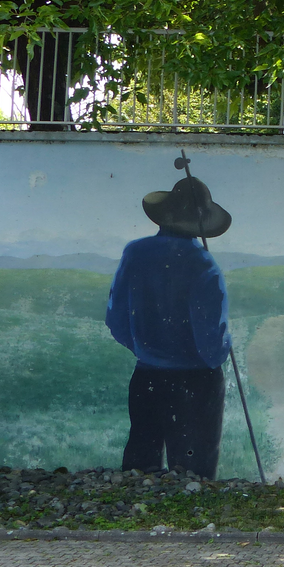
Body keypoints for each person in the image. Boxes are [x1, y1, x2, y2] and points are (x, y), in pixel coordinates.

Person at [106, 174, 232, 475]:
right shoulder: (204, 265)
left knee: (141, 460)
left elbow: (116, 319)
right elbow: (212, 345)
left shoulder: (133, 253)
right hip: (196, 383)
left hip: (146, 376)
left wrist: (146, 350)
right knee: (193, 469)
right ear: (200, 222)